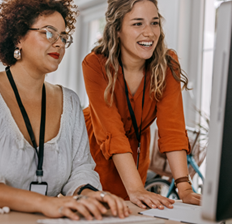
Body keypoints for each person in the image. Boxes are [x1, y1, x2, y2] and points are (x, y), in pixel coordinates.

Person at [0, 0, 130, 221]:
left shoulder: (70, 102)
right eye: (49, 33)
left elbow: (81, 170)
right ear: (18, 37)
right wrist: (45, 203)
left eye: (64, 37)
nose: (59, 43)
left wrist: (91, 196)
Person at [82, 0, 201, 210]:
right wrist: (136, 188)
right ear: (117, 29)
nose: (149, 33)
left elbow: (172, 129)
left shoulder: (167, 65)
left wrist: (185, 188)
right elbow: (112, 132)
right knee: (102, 212)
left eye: (154, 23)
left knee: (134, 212)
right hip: (95, 149)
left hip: (136, 152)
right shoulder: (95, 64)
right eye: (138, 24)